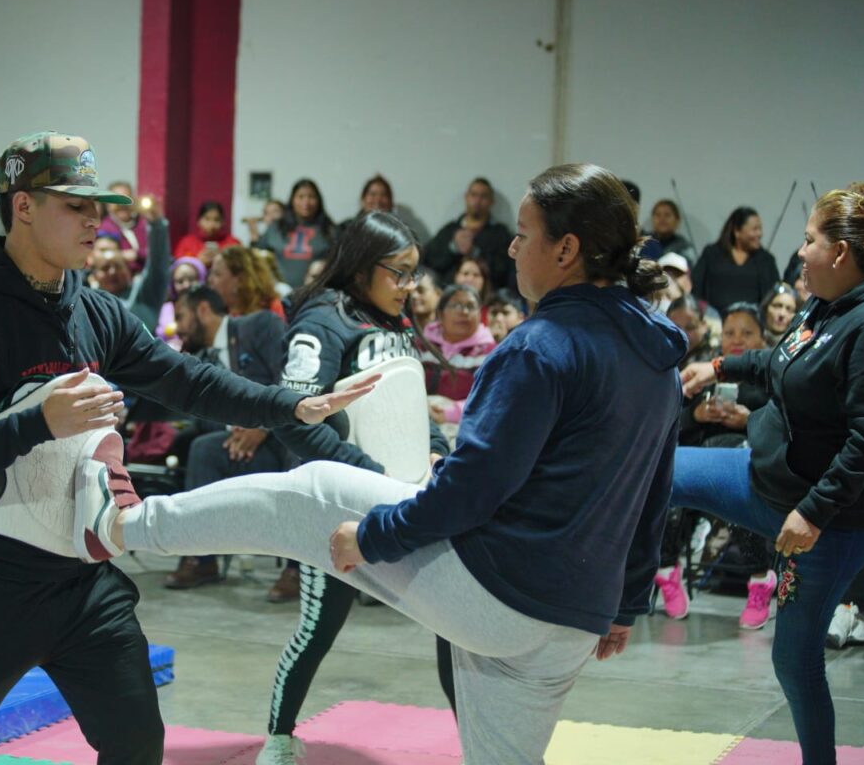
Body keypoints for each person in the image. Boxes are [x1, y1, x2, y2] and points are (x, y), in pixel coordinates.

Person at [79, 163, 686, 765]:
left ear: (568, 249)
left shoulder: (540, 347)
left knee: (311, 493)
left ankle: (123, 525)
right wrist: (629, 599)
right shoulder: (657, 354)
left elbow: (476, 489)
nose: (513, 244)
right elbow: (653, 489)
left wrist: (375, 536)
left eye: (525, 232)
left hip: (501, 593)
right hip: (577, 619)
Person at [0, 131, 366, 765]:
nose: (95, 219)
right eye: (75, 205)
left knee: (139, 747)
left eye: (97, 206)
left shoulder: (94, 310)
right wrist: (37, 423)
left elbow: (184, 378)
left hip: (82, 584)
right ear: (23, 206)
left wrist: (285, 405)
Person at [238, 211, 457, 756]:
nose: (410, 287)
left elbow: (410, 404)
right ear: (363, 269)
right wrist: (364, 472)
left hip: (406, 499)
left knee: (454, 630)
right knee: (318, 630)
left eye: (414, 274)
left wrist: (436, 451)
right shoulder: (321, 323)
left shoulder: (396, 323)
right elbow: (294, 420)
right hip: (336, 505)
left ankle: (479, 742)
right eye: (400, 274)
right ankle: (280, 739)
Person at [673, 188, 864, 765]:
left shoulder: (862, 327)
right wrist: (717, 365)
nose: (799, 251)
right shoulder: (821, 305)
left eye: (809, 240)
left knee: (794, 657)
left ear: (839, 253)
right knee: (655, 470)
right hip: (760, 476)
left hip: (821, 520)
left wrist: (812, 513)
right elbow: (779, 363)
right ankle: (618, 600)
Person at [162, 285, 291, 589]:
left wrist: (262, 426)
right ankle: (202, 559)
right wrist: (237, 433)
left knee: (299, 448)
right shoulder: (198, 359)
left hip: (284, 437)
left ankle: (300, 569)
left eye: (181, 317)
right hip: (243, 448)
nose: (177, 328)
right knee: (202, 449)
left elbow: (290, 378)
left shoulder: (259, 325)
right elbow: (200, 419)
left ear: (203, 310)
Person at [657, 302, 775, 628]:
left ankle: (760, 581)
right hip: (698, 456)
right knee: (667, 483)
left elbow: (785, 428)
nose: (736, 339)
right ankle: (667, 570)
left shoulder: (770, 377)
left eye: (746, 333)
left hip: (748, 460)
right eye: (729, 332)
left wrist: (748, 421)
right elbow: (668, 424)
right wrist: (695, 415)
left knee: (741, 496)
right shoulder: (704, 370)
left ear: (762, 339)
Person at [421, 285, 496, 438]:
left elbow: (490, 398)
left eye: (470, 306)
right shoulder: (422, 344)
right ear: (440, 314)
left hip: (467, 425)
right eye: (456, 305)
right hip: (421, 415)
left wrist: (451, 413)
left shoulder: (490, 352)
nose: (464, 312)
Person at [88, 201, 170, 329]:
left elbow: (158, 263)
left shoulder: (145, 294)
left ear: (128, 269)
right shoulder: (87, 302)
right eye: (105, 268)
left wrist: (156, 224)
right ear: (94, 276)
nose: (112, 272)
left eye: (118, 266)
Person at [423, 177, 514, 290]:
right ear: (466, 197)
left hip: (487, 297)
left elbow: (503, 271)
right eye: (474, 195)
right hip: (447, 293)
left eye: (483, 196)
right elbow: (429, 260)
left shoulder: (500, 233)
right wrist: (453, 248)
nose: (477, 200)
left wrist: (474, 251)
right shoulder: (450, 230)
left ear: (491, 201)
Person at [692, 206, 781, 314]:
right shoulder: (711, 254)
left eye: (760, 229)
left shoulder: (766, 260)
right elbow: (696, 289)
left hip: (753, 323)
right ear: (737, 231)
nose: (760, 234)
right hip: (714, 323)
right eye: (755, 229)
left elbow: (774, 295)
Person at [253, 178, 336, 288]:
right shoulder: (276, 227)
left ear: (318, 201)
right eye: (300, 197)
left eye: (311, 197)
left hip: (315, 295)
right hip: (278, 295)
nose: (306, 202)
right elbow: (258, 256)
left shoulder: (329, 230)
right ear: (292, 200)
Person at [208, 246, 283, 318]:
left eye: (217, 274)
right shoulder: (211, 312)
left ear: (240, 280)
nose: (210, 280)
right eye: (211, 273)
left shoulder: (270, 309)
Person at [97, 180, 150, 272]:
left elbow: (159, 253)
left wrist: (136, 254)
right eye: (117, 201)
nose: (122, 205)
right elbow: (104, 256)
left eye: (126, 199)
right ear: (108, 205)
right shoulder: (104, 229)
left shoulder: (145, 224)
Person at [155, 257, 205, 347]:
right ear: (172, 285)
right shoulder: (167, 308)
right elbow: (160, 333)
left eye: (191, 279)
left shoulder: (205, 306)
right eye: (180, 281)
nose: (186, 285)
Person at [172, 201, 238, 266]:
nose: (211, 225)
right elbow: (177, 267)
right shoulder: (186, 243)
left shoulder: (232, 243)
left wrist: (223, 258)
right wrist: (197, 261)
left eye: (216, 220)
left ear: (223, 222)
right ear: (198, 221)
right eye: (207, 219)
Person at [649, 199, 696, 265]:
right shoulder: (644, 244)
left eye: (667, 215)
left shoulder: (684, 246)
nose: (662, 219)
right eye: (658, 215)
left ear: (677, 220)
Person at [760, 281, 799, 346]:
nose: (782, 314)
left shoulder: (798, 348)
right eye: (777, 306)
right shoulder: (751, 342)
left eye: (789, 309)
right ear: (766, 307)